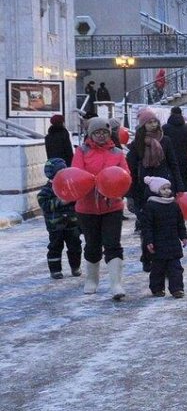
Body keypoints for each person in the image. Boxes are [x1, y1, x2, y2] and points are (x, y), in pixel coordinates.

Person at [73, 117, 132, 299]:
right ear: (90, 134)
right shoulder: (81, 151)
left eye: (104, 132)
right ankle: (92, 279)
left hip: (112, 206)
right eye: (97, 132)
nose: (101, 136)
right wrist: (94, 180)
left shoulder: (117, 153)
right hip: (87, 207)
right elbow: (76, 173)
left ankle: (116, 283)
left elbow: (125, 176)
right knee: (92, 245)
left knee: (113, 244)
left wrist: (114, 185)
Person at [127, 108, 184, 231]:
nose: (153, 125)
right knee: (147, 223)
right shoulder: (137, 143)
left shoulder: (165, 140)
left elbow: (173, 164)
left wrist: (179, 186)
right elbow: (131, 169)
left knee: (166, 221)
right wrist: (130, 194)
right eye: (149, 122)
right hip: (144, 187)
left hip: (165, 185)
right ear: (143, 125)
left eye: (155, 121)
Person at [138, 176, 187, 298]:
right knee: (157, 269)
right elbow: (147, 226)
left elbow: (180, 223)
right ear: (156, 191)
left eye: (168, 188)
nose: (167, 191)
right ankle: (157, 289)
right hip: (157, 244)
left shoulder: (174, 205)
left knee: (176, 269)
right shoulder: (150, 206)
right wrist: (148, 241)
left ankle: (177, 289)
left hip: (173, 243)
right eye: (163, 189)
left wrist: (183, 236)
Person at [37, 158, 82, 280]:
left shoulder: (69, 185)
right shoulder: (46, 191)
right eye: (59, 171)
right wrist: (61, 201)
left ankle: (75, 266)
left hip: (72, 223)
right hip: (55, 225)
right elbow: (45, 205)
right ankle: (55, 270)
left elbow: (77, 200)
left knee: (75, 245)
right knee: (55, 246)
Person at [163, 106, 187, 192]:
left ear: (171, 113)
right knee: (185, 180)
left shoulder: (165, 128)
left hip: (169, 159)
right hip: (185, 159)